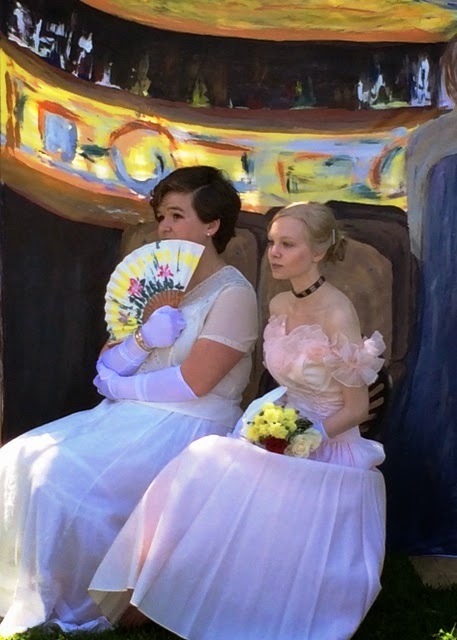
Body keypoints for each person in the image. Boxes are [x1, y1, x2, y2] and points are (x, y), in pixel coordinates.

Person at [89, 201, 387, 640]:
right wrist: (271, 427)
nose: (275, 253)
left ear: (319, 251)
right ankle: (157, 588)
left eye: (288, 245)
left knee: (215, 465)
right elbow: (289, 384)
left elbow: (357, 408)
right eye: (273, 243)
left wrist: (304, 439)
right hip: (279, 425)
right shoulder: (280, 302)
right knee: (200, 464)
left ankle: (195, 598)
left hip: (327, 443)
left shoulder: (337, 313)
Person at [0, 166, 258, 636]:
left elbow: (197, 381)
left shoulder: (234, 294)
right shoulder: (155, 282)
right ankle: (23, 587)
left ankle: (78, 598)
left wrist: (122, 388)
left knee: (61, 479)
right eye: (162, 217)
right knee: (20, 455)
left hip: (190, 423)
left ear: (212, 224)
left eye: (177, 216)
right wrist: (142, 339)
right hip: (128, 416)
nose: (165, 228)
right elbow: (107, 364)